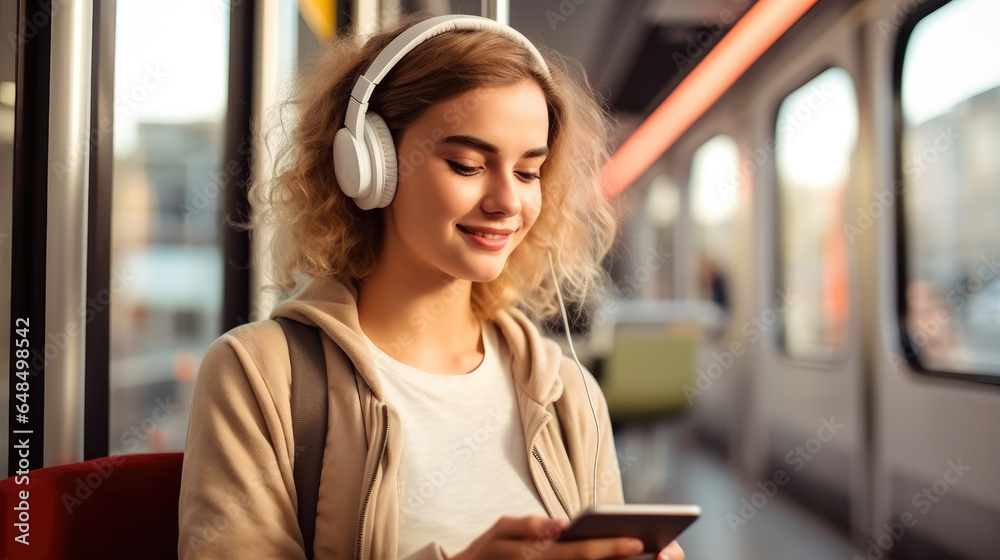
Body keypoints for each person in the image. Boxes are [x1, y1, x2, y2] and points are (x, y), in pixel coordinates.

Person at [177, 12, 685, 560]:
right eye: (467, 165)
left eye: (527, 172)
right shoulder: (259, 376)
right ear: (370, 165)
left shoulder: (569, 394)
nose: (508, 204)